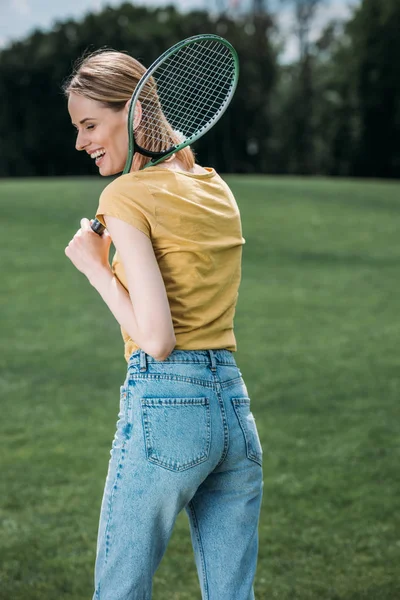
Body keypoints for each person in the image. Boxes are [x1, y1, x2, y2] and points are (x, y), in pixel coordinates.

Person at [63, 49, 263, 600]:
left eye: (90, 125)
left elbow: (157, 338)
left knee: (119, 591)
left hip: (167, 406)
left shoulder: (124, 195)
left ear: (132, 113)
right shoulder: (216, 187)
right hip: (234, 413)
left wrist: (96, 271)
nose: (81, 141)